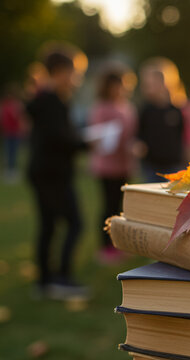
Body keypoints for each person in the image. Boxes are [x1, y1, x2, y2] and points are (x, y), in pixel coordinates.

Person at [25, 47, 89, 299]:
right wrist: (85, 144)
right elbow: (58, 139)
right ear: (61, 72)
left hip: (46, 172)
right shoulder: (51, 101)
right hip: (51, 174)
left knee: (49, 226)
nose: (77, 79)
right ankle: (60, 278)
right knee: (74, 223)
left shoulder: (51, 99)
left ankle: (45, 282)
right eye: (75, 73)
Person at [88, 66, 137, 263]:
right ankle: (105, 247)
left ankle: (117, 244)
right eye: (117, 86)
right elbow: (96, 137)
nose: (121, 89)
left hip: (124, 166)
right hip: (106, 167)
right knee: (107, 207)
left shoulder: (127, 107)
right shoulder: (101, 108)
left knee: (119, 208)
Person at [136, 59, 186, 182]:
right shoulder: (146, 110)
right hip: (152, 165)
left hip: (173, 164)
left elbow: (182, 136)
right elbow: (140, 134)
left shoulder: (175, 110)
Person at [1, 83, 26, 183]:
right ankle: (10, 170)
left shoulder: (12, 105)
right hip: (10, 132)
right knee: (10, 151)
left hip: (13, 132)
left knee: (12, 151)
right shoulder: (10, 106)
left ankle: (11, 170)